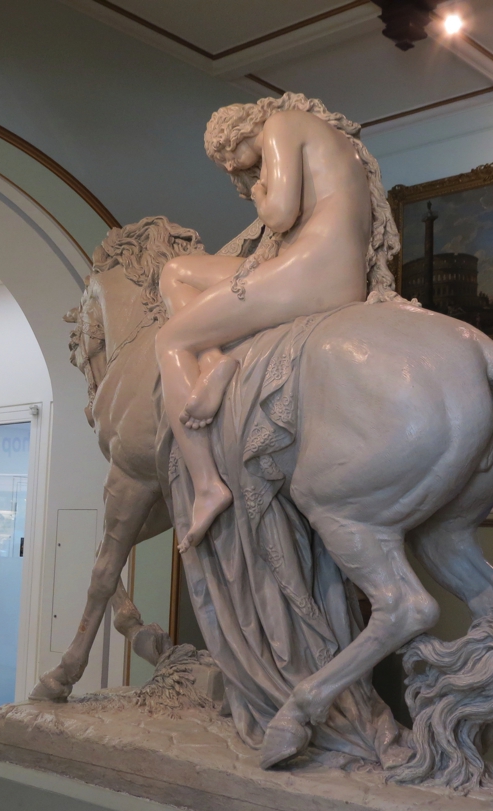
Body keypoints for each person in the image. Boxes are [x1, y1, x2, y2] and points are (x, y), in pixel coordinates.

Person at [156, 92, 399, 550]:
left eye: (228, 156)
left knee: (170, 341)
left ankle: (207, 484)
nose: (232, 168)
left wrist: (261, 193)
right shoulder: (327, 138)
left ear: (237, 132)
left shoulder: (282, 125)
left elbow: (281, 213)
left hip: (311, 272)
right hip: (321, 267)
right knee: (176, 271)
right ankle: (213, 361)